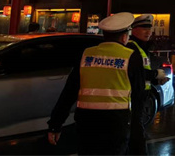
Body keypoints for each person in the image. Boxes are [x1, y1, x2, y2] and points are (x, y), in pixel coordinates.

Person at [47, 12, 146, 155]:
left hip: (86, 123)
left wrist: (55, 124)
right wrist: (137, 133)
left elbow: (69, 92)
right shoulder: (131, 56)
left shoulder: (86, 54)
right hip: (116, 123)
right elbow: (138, 96)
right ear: (124, 36)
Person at [126, 14, 169, 155]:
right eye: (144, 28)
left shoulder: (142, 47)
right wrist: (155, 74)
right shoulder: (131, 48)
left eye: (149, 28)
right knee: (136, 137)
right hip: (131, 97)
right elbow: (136, 72)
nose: (148, 32)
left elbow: (141, 74)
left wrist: (156, 80)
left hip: (141, 97)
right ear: (133, 30)